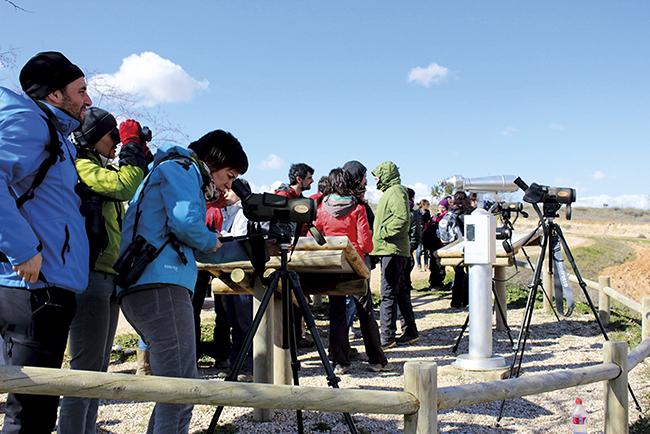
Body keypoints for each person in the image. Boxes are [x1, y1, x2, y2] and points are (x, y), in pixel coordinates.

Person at [117, 130, 249, 434]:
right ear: (213, 161)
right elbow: (187, 224)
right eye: (228, 175)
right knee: (181, 388)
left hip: (151, 283)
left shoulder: (171, 170)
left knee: (176, 385)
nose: (228, 184)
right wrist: (213, 240)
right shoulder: (183, 169)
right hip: (159, 284)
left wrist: (233, 247)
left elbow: (188, 240)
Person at [0, 51, 92, 434]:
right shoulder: (31, 123)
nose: (88, 100)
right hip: (34, 286)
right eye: (81, 90)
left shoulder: (52, 131)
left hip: (43, 283)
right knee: (31, 413)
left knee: (33, 408)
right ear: (56, 95)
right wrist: (24, 250)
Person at [58, 109, 149, 433]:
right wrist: (131, 145)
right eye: (112, 136)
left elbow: (133, 187)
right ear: (94, 136)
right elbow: (125, 186)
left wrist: (139, 154)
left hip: (108, 274)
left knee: (97, 368)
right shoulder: (81, 166)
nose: (116, 143)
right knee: (84, 371)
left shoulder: (99, 167)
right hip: (90, 276)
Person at [314, 168, 390, 373]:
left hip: (333, 265)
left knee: (337, 311)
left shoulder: (321, 207)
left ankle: (340, 361)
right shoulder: (357, 208)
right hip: (355, 266)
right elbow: (367, 244)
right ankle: (376, 359)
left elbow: (317, 233)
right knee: (365, 312)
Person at [370, 161, 419, 348]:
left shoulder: (396, 191)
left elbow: (402, 218)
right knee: (400, 292)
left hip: (392, 249)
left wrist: (382, 233)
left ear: (386, 174)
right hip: (392, 249)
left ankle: (387, 337)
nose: (375, 179)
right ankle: (410, 331)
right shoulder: (392, 192)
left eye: (378, 175)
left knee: (388, 294)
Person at [220, 180, 254, 381]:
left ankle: (247, 366)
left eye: (228, 190)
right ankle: (236, 364)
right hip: (230, 274)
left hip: (244, 274)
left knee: (244, 322)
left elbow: (240, 239)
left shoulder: (244, 213)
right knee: (233, 320)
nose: (224, 193)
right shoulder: (229, 212)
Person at [415, 199, 431, 271]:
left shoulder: (427, 212)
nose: (428, 206)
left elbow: (429, 220)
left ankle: (426, 265)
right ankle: (418, 264)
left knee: (426, 250)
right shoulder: (417, 212)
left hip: (426, 233)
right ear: (423, 205)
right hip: (419, 233)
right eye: (427, 205)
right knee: (418, 250)